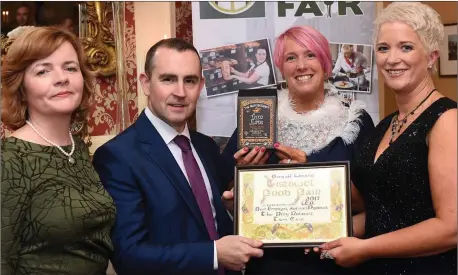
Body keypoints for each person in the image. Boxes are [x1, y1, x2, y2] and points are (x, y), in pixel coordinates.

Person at [92, 38, 264, 275]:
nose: (180, 92)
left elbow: (208, 219)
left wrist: (232, 207)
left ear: (201, 85)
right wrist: (214, 254)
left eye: (190, 80)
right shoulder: (117, 156)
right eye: (168, 79)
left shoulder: (206, 147)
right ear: (145, 83)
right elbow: (129, 256)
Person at [221, 26, 375, 274]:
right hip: (270, 264)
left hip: (335, 263)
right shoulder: (258, 117)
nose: (301, 65)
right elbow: (230, 197)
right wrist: (243, 178)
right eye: (291, 58)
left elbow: (373, 203)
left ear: (326, 65)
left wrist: (310, 171)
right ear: (282, 68)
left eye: (310, 55)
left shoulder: (355, 121)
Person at [318, 2, 457, 274]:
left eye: (406, 47)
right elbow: (380, 209)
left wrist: (365, 248)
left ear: (432, 57)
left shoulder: (446, 120)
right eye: (383, 48)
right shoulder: (383, 127)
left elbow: (451, 228)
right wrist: (315, 232)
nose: (392, 59)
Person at [1, 27, 115, 274]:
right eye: (43, 70)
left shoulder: (78, 149)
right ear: (21, 87)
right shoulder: (9, 159)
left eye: (70, 68)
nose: (62, 78)